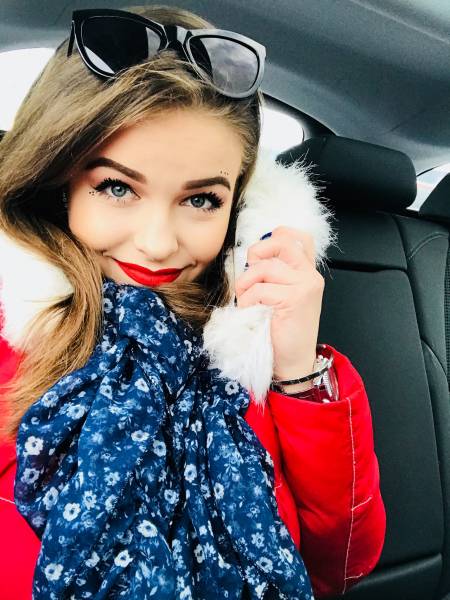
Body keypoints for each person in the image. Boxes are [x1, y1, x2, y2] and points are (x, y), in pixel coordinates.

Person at [0, 5, 385, 599]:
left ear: (241, 208)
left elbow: (343, 563)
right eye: (116, 187)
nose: (157, 243)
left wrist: (294, 370)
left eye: (201, 200)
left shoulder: (243, 348)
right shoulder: (13, 335)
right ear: (57, 181)